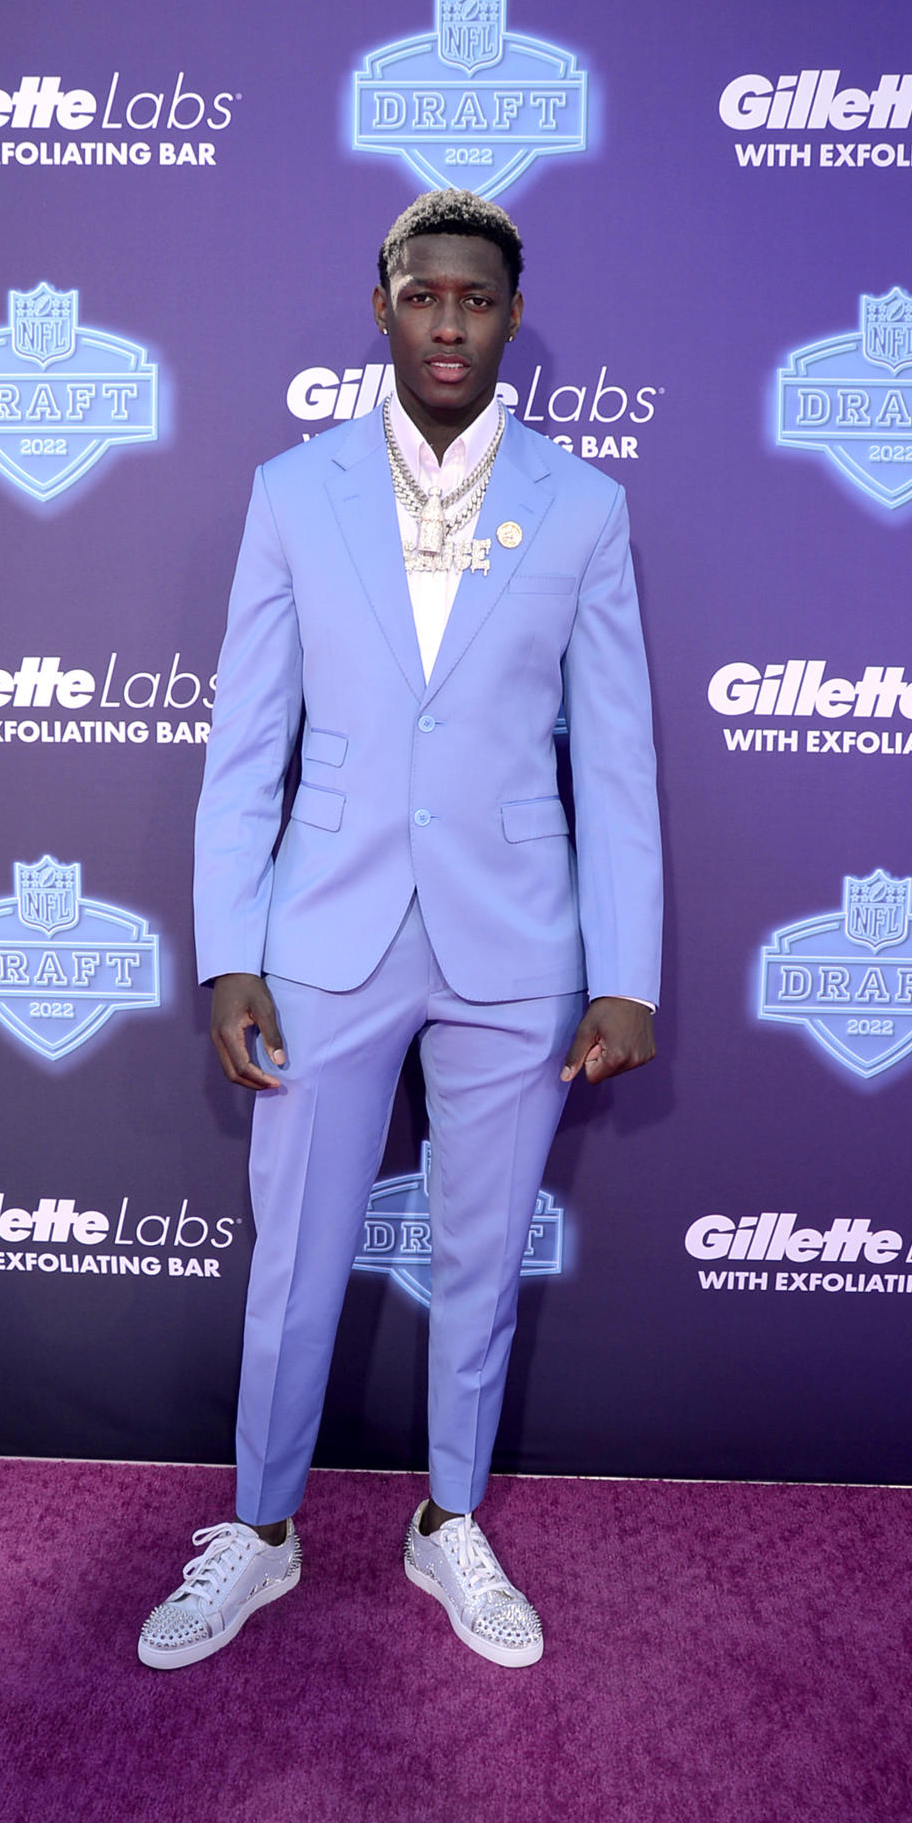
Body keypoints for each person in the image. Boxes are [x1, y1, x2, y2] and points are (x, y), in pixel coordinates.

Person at [139, 188, 662, 1672]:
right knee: (294, 1257)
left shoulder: (583, 505)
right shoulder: (292, 494)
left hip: (517, 944)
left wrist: (622, 974)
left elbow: (611, 758)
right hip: (322, 936)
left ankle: (449, 1527)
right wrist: (229, 948)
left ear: (510, 321)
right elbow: (247, 746)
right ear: (382, 308)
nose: (448, 321)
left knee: (480, 1258)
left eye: (477, 300)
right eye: (424, 295)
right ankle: (259, 1528)